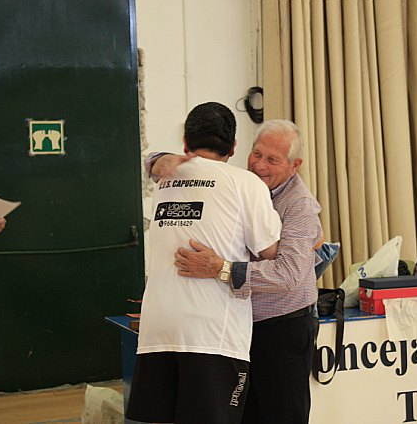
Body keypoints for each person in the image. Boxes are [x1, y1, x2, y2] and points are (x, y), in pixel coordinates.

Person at [149, 119, 323, 424]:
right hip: (240, 327)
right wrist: (158, 161)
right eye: (257, 154)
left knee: (282, 415)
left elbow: (288, 275)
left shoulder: (300, 207)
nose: (259, 165)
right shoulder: (239, 184)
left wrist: (222, 269)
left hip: (282, 328)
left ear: (295, 165)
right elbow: (156, 162)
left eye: (272, 160)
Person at [126, 103, 282, 424]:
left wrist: (155, 159)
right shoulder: (245, 183)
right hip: (212, 333)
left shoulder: (165, 176)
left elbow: (150, 162)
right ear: (234, 146)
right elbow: (269, 250)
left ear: (185, 142)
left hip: (158, 329)